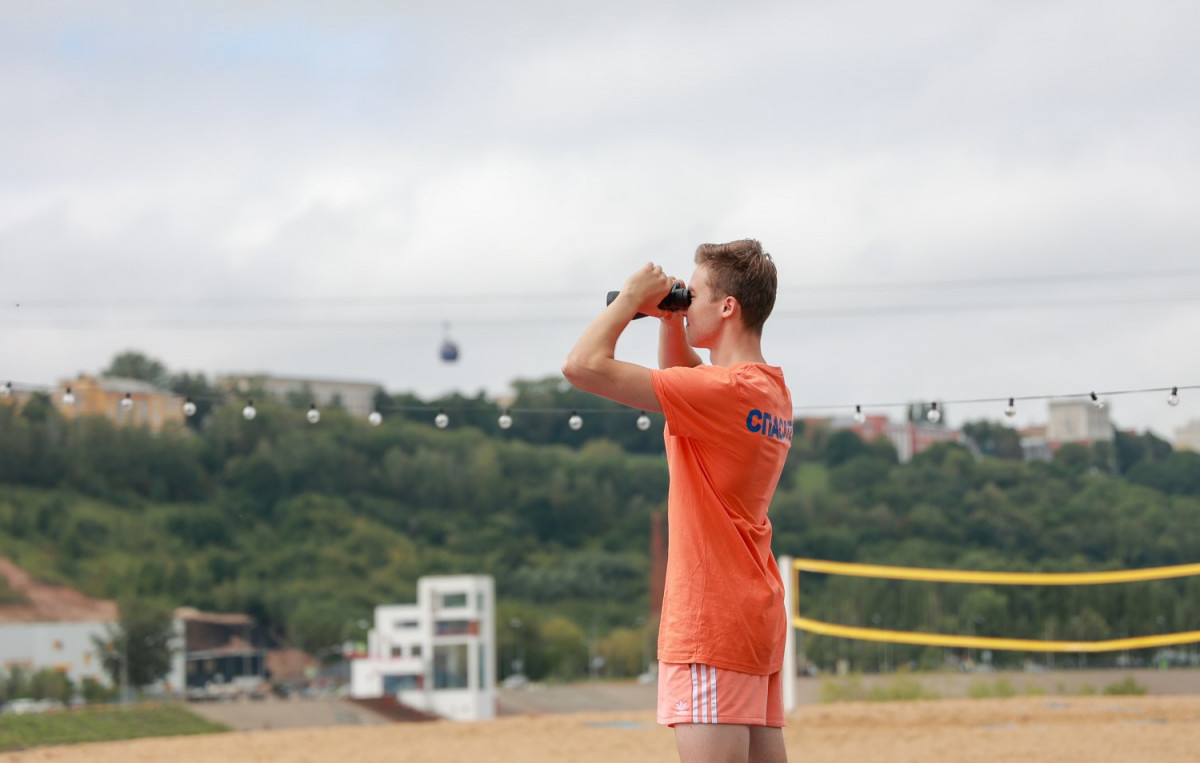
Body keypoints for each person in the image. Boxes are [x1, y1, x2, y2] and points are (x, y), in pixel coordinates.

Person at [562, 239, 792, 763]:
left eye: (698, 294)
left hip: (711, 619)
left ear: (727, 307)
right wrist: (671, 320)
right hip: (752, 615)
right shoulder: (768, 390)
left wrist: (628, 300)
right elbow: (688, 382)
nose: (689, 302)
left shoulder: (724, 392)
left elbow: (582, 365)